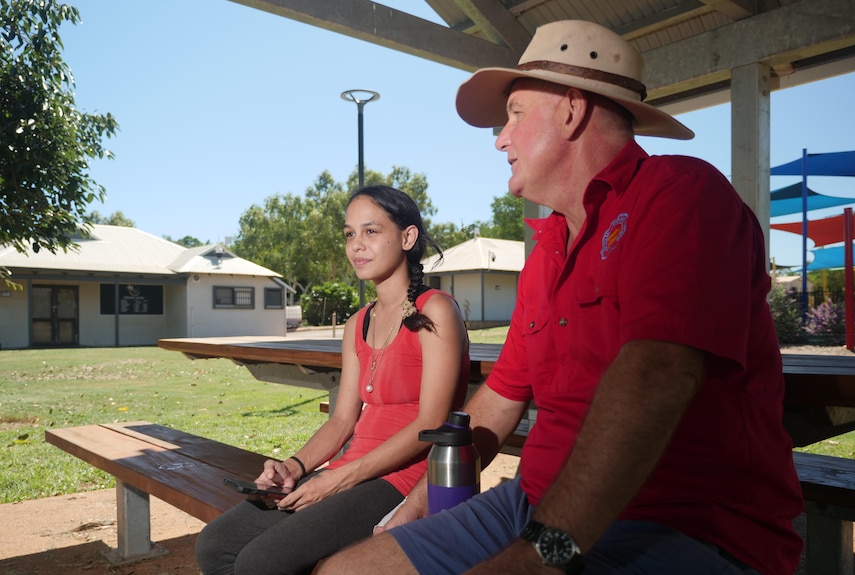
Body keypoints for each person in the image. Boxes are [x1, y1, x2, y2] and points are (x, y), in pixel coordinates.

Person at [319, 20, 803, 575]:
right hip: (531, 501)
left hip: (682, 522)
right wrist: (425, 497)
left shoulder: (679, 195)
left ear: (572, 110)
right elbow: (501, 397)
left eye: (516, 115)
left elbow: (659, 373)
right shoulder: (548, 248)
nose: (500, 137)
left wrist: (542, 554)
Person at [195, 185, 470, 575]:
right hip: (351, 468)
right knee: (216, 545)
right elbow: (342, 421)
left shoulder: (436, 311)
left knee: (262, 562)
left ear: (407, 238)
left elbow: (431, 424)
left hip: (405, 477)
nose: (357, 245)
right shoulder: (358, 323)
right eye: (349, 234)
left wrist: (337, 479)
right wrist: (294, 466)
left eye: (371, 231)